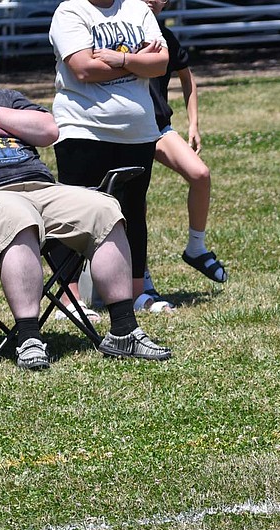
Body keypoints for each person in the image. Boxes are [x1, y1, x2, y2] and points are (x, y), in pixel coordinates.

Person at [0, 31, 172, 370]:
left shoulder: (3, 98)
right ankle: (30, 338)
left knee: (104, 208)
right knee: (17, 213)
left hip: (41, 190)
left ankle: (124, 330)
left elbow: (48, 130)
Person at [49, 0, 175, 313]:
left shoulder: (138, 9)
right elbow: (83, 69)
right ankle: (71, 298)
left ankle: (136, 294)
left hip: (138, 132)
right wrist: (135, 60)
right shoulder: (70, 12)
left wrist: (117, 57)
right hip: (83, 129)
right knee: (75, 213)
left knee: (133, 211)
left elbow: (160, 63)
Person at [144, 0, 226, 285]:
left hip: (159, 128)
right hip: (130, 131)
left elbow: (187, 80)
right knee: (134, 203)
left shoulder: (166, 37)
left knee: (200, 174)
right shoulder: (123, 34)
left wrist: (194, 124)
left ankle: (196, 247)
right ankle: (139, 275)